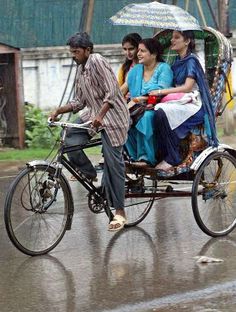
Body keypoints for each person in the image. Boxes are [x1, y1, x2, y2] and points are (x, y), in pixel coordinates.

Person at [50, 32, 130, 232]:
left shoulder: (97, 60)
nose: (73, 55)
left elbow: (112, 91)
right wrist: (59, 111)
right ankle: (88, 173)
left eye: (76, 52)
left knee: (113, 163)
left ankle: (120, 212)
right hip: (93, 115)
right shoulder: (81, 69)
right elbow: (79, 101)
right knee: (69, 138)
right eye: (71, 52)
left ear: (88, 50)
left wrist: (101, 117)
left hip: (113, 118)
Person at [149, 30, 218, 172]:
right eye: (172, 38)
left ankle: (172, 157)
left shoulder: (192, 60)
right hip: (181, 101)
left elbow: (187, 87)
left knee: (162, 112)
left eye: (176, 38)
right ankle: (161, 154)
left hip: (194, 104)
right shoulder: (176, 61)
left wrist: (161, 92)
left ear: (186, 41)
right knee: (153, 112)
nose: (172, 41)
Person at [123, 38, 173, 166]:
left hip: (156, 107)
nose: (138, 54)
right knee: (122, 118)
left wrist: (141, 99)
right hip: (136, 107)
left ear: (154, 54)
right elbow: (123, 88)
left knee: (145, 118)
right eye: (138, 50)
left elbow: (163, 92)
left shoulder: (164, 69)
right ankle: (133, 157)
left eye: (143, 51)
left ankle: (146, 158)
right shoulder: (135, 70)